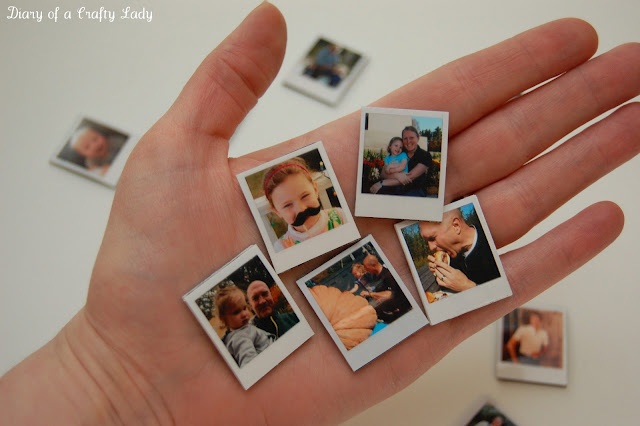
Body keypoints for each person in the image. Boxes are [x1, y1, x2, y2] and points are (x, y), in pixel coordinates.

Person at [0, 4, 637, 424]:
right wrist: (104, 378)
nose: (304, 207)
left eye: (309, 198)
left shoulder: (384, 207)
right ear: (273, 216)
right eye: (291, 205)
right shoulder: (294, 253)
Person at [262, 156, 346, 251]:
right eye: (287, 205)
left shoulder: (341, 216)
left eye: (305, 196)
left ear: (315, 189)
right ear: (277, 212)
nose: (301, 209)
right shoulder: (283, 248)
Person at [419, 207, 500, 293]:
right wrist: (443, 270)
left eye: (432, 238)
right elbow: (445, 292)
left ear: (456, 226)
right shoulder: (453, 255)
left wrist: (467, 286)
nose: (431, 248)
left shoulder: (494, 242)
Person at [216, 285, 274, 368]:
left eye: (244, 308)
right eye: (236, 312)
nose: (244, 314)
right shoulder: (240, 338)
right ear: (224, 319)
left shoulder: (244, 328)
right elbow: (250, 364)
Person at [371, 125, 433, 196]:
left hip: (415, 189)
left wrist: (382, 183)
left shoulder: (425, 155)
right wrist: (397, 175)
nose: (408, 141)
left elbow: (408, 177)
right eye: (405, 138)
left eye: (411, 138)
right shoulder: (398, 151)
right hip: (395, 187)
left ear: (418, 138)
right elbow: (383, 173)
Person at [362, 254, 412, 323]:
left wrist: (370, 294)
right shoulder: (375, 276)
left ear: (373, 265)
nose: (365, 270)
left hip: (401, 312)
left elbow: (390, 294)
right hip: (387, 312)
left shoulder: (388, 275)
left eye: (366, 267)